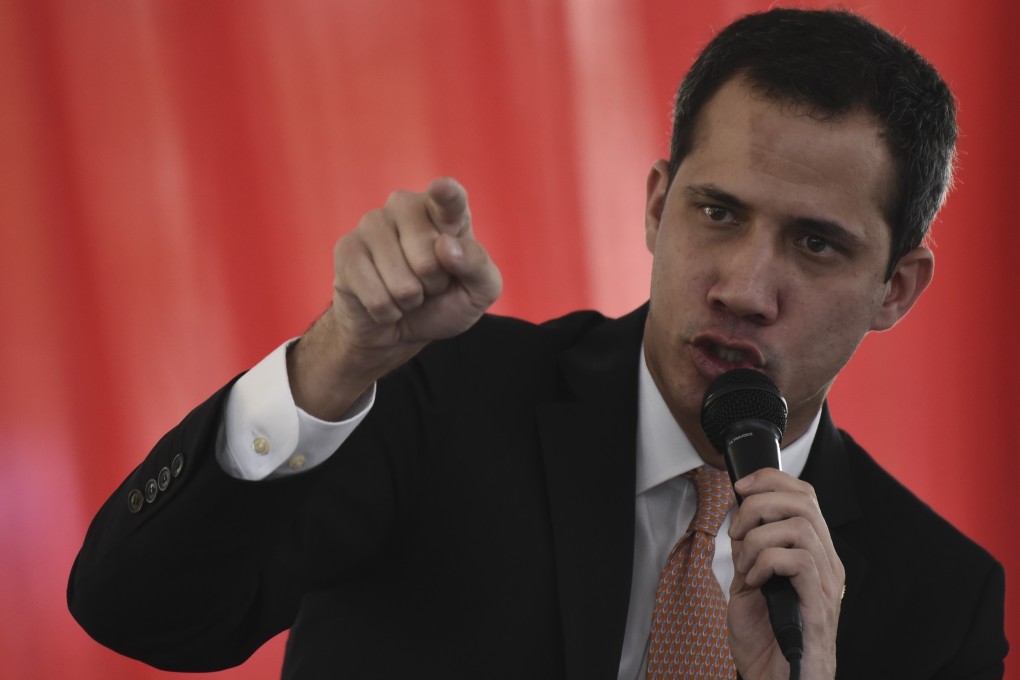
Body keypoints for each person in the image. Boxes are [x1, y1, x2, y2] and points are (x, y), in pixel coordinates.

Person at [68, 7, 1007, 680]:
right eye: (717, 212)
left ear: (896, 288)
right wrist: (336, 359)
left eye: (815, 244)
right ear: (656, 207)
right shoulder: (439, 394)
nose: (744, 289)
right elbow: (144, 613)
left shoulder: (941, 603)